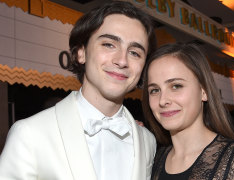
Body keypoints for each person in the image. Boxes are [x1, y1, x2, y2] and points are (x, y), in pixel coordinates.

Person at [0, 1, 157, 180]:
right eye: (109, 44)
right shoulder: (30, 134)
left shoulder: (147, 141)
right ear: (81, 52)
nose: (122, 60)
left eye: (135, 52)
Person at [141, 43, 234, 179]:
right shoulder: (154, 160)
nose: (162, 100)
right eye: (154, 90)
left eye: (176, 86)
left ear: (204, 91)